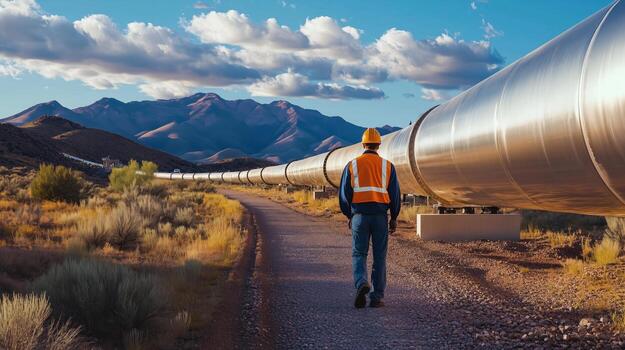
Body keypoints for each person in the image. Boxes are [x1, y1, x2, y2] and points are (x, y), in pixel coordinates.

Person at [339, 128, 401, 308]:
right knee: (380, 256)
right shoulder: (388, 166)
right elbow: (395, 194)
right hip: (380, 216)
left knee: (359, 253)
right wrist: (394, 216)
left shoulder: (352, 165)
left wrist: (348, 214)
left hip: (359, 215)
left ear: (363, 144)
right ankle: (377, 297)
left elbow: (344, 194)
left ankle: (361, 283)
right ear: (379, 145)